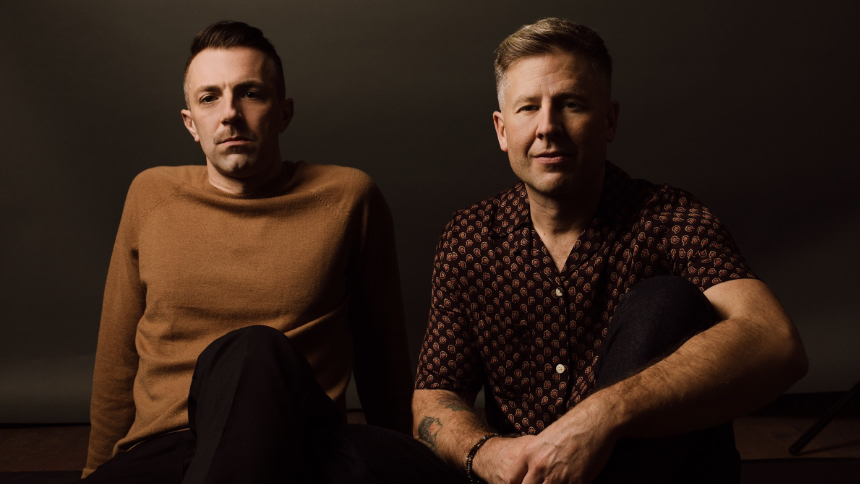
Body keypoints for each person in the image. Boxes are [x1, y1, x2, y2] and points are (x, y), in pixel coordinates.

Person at [412, 18, 808, 484]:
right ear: (502, 130)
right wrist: (487, 453)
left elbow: (776, 342)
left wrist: (602, 415)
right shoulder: (470, 238)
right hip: (527, 478)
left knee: (665, 301)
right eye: (528, 108)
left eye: (571, 105)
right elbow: (435, 395)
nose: (548, 128)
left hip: (664, 475)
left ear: (609, 121)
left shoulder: (668, 218)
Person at [83, 21, 462, 483]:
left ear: (283, 113)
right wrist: (95, 470)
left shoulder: (347, 197)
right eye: (209, 98)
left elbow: (382, 356)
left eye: (250, 94)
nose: (230, 114)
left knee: (253, 349)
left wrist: (401, 456)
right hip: (170, 446)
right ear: (190, 123)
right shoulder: (150, 196)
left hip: (300, 444)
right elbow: (117, 357)